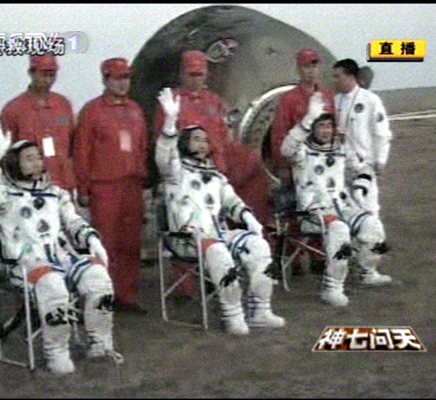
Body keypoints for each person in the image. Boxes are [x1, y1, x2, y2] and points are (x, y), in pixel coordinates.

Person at [0, 123, 123, 374]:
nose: (36, 162)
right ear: (14, 163)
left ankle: (100, 342)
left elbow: (73, 221)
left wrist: (92, 240)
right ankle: (56, 351)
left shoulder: (55, 193)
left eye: (38, 157)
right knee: (52, 285)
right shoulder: (3, 194)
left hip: (60, 258)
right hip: (21, 264)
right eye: (28, 158)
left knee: (99, 279)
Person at [155, 88, 285, 335]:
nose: (202, 144)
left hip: (217, 235)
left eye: (205, 140)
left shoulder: (215, 176)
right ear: (184, 143)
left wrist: (249, 219)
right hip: (186, 239)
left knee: (258, 247)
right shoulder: (175, 173)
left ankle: (260, 310)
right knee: (218, 252)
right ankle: (232, 314)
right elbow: (164, 156)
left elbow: (233, 202)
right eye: (196, 139)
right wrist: (170, 123)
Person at [154, 50, 272, 298]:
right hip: (181, 175)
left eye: (200, 74)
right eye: (191, 74)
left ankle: (217, 280)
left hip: (211, 169)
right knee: (186, 222)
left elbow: (223, 136)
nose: (196, 79)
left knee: (215, 221)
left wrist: (220, 166)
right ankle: (185, 289)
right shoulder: (172, 102)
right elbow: (161, 141)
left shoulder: (214, 101)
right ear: (182, 74)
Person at [280, 93, 392, 307]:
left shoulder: (341, 149)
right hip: (312, 211)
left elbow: (363, 168)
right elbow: (286, 149)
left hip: (341, 206)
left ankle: (367, 271)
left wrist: (359, 188)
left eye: (329, 126)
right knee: (339, 230)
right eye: (320, 126)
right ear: (313, 129)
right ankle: (332, 287)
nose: (325, 131)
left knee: (372, 224)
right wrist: (308, 118)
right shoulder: (303, 152)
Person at [73, 58, 148, 314]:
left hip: (132, 186)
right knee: (105, 243)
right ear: (105, 80)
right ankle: (102, 296)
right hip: (104, 187)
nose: (122, 83)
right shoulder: (92, 111)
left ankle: (126, 296)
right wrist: (83, 188)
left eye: (126, 77)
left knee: (130, 244)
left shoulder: (135, 110)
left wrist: (142, 179)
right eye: (117, 78)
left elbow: (142, 146)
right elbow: (82, 151)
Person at [0, 54, 75, 192]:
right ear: (31, 73)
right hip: (30, 187)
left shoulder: (63, 105)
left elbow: (72, 146)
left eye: (52, 75)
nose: (48, 80)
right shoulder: (13, 109)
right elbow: (7, 153)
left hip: (63, 184)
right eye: (43, 74)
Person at [332, 58, 392, 217]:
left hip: (364, 164)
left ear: (350, 76)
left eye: (338, 76)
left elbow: (381, 133)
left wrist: (380, 160)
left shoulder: (370, 100)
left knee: (368, 208)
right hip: (341, 165)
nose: (335, 80)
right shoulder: (335, 101)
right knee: (345, 209)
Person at [271, 48, 335, 187]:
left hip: (325, 163)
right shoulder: (289, 99)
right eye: (306, 67)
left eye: (314, 66)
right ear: (299, 70)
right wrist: (282, 165)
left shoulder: (328, 98)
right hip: (300, 164)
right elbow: (279, 132)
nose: (311, 71)